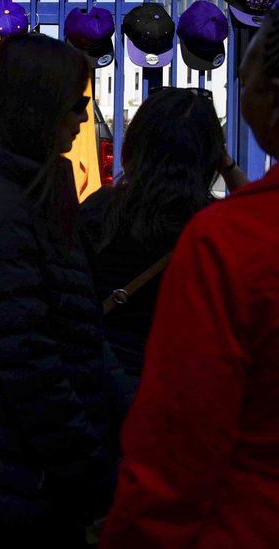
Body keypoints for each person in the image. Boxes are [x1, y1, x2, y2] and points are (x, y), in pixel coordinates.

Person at [100, 7, 279, 548]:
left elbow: (176, 459)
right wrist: (223, 165)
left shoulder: (228, 239)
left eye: (243, 80)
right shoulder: (214, 223)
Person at [0, 33, 120, 548]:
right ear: (37, 107)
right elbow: (31, 369)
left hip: (37, 476)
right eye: (77, 104)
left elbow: (81, 338)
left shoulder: (39, 194)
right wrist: (92, 474)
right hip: (22, 484)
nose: (84, 119)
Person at [78, 86, 247, 392]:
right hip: (185, 385)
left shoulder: (100, 211)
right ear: (210, 155)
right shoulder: (217, 225)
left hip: (105, 380)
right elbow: (258, 213)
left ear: (135, 144)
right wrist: (227, 164)